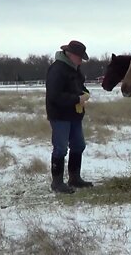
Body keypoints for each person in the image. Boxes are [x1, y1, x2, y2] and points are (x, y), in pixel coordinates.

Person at [45, 40, 93, 193]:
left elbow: (80, 86)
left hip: (75, 115)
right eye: (80, 57)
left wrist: (85, 94)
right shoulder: (57, 69)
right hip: (60, 116)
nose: (81, 61)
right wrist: (76, 99)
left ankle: (74, 178)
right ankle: (57, 183)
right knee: (60, 148)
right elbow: (54, 95)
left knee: (79, 146)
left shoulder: (75, 69)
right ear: (71, 55)